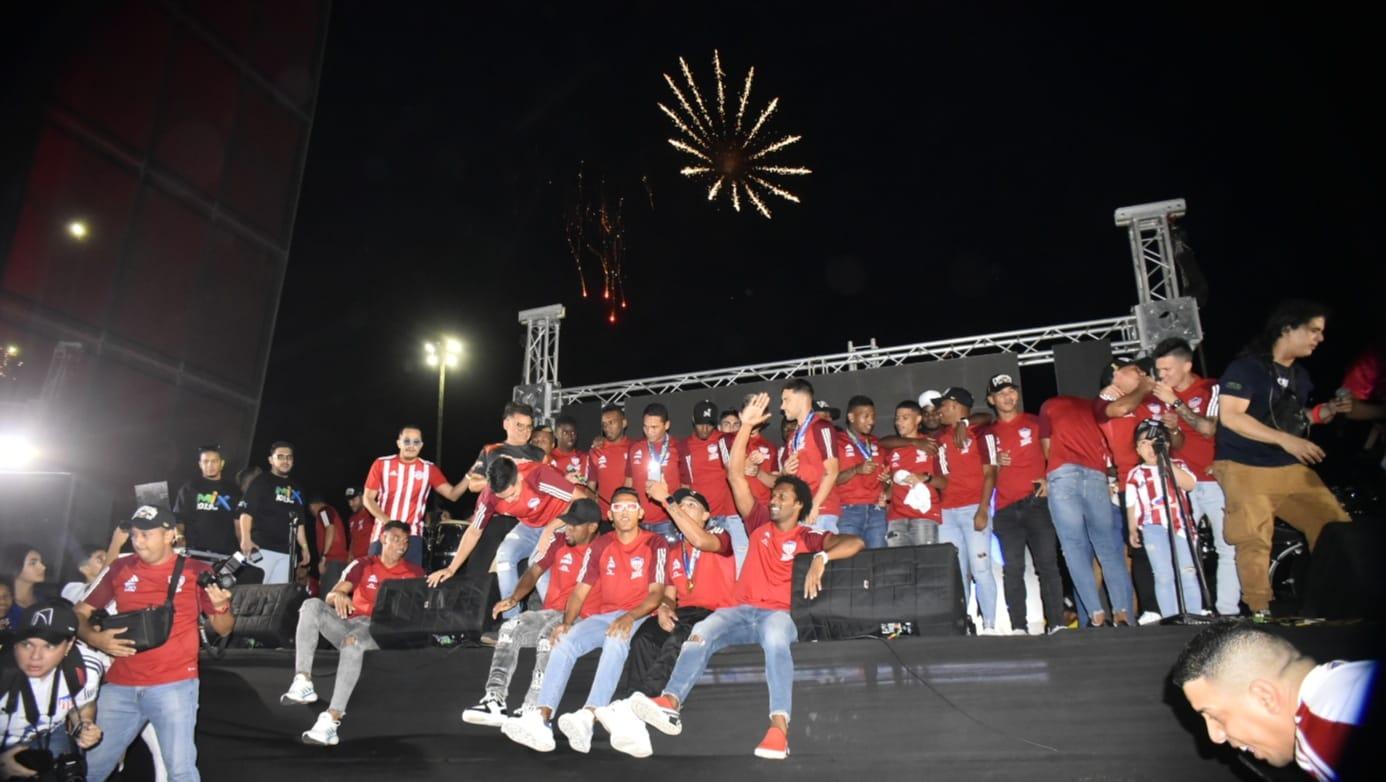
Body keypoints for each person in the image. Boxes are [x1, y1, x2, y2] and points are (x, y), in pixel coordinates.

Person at [625, 392, 864, 760]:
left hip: (777, 614)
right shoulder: (758, 523)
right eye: (774, 495)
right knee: (701, 631)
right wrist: (746, 426)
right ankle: (670, 702)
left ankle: (779, 729)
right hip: (740, 610)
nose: (774, 500)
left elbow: (855, 542)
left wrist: (822, 556)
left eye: (782, 496)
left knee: (776, 638)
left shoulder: (808, 536)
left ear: (799, 504)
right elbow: (735, 474)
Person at [500, 487, 670, 758]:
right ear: (610, 516)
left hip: (639, 614)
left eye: (630, 507)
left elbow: (656, 594)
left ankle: (588, 716)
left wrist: (629, 617)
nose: (624, 512)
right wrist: (566, 623)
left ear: (640, 512)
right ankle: (542, 720)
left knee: (616, 638)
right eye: (618, 507)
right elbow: (580, 591)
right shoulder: (601, 545)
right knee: (563, 641)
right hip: (605, 615)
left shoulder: (655, 543)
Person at [1213, 300, 1353, 619]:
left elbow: (1289, 419)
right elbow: (1231, 417)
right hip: (1244, 465)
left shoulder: (1300, 376)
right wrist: (1287, 440)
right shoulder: (1245, 368)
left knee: (1334, 526)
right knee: (1254, 538)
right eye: (1314, 330)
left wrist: (1324, 412)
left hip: (1286, 465)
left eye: (1322, 332)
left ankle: (1334, 601)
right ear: (1288, 328)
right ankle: (1260, 610)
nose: (1320, 338)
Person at [76, 505, 234, 782]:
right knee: (90, 769)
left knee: (180, 771)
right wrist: (95, 638)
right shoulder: (120, 567)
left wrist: (221, 607)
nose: (138, 541)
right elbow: (79, 613)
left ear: (170, 535)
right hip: (120, 684)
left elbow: (224, 629)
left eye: (146, 534)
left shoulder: (197, 570)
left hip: (173, 684)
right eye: (134, 534)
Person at [1172, 622, 1379, 780]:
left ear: (1265, 697)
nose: (1215, 736)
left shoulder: (1326, 731)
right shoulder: (1347, 683)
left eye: (1215, 717)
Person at [278, 521, 423, 746]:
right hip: (349, 622)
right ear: (383, 539)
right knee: (311, 605)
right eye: (396, 539)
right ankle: (303, 680)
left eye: (405, 542)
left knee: (353, 642)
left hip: (379, 629)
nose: (401, 546)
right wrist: (339, 596)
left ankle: (332, 719)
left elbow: (418, 613)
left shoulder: (414, 572)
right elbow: (331, 595)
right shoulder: (363, 564)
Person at [461, 499, 603, 727]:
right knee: (510, 627)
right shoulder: (559, 541)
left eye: (574, 525)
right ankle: (494, 700)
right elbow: (534, 570)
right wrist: (514, 598)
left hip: (583, 617)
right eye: (567, 523)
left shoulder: (603, 549)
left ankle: (534, 708)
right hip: (553, 612)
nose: (568, 529)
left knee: (548, 635)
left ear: (593, 527)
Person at [617, 483, 736, 704]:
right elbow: (670, 595)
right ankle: (630, 701)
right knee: (645, 636)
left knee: (678, 637)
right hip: (686, 612)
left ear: (706, 516)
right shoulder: (674, 551)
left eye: (692, 505)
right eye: (681, 505)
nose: (684, 508)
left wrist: (668, 501)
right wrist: (664, 607)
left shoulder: (720, 534)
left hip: (717, 613)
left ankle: (649, 699)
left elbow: (700, 541)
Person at [1152, 337, 1240, 616]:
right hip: (1181, 482)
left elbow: (1208, 428)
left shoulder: (1210, 388)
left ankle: (1227, 611)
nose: (1162, 376)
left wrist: (1176, 403)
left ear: (1187, 365)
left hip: (1214, 481)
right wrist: (1172, 428)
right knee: (1182, 548)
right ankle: (1192, 610)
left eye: (1167, 369)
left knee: (1227, 546)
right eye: (1159, 370)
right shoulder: (1162, 398)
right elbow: (1173, 442)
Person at [427, 457, 573, 619]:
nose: (509, 501)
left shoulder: (537, 475)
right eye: (503, 497)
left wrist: (552, 527)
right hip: (530, 525)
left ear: (519, 477)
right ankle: (511, 620)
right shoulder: (489, 496)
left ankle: (557, 619)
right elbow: (474, 531)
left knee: (537, 560)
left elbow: (581, 500)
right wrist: (451, 568)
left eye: (513, 494)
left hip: (560, 520)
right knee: (504, 554)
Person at [1039, 394, 1134, 628]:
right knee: (1107, 547)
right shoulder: (1095, 407)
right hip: (1095, 474)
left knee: (1074, 547)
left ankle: (1096, 615)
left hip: (1064, 474)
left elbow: (1047, 449)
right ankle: (1122, 613)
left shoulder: (1049, 404)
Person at [985, 374, 1065, 634]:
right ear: (991, 400)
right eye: (1001, 393)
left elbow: (1056, 452)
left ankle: (1057, 623)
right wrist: (995, 463)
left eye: (1011, 391)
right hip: (1005, 510)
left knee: (1047, 564)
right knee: (1013, 568)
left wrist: (1049, 478)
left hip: (1036, 503)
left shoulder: (1035, 422)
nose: (1007, 397)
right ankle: (1019, 625)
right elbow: (981, 474)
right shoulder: (988, 433)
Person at [0, 602, 106, 780]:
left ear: (69, 645)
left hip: (47, 733)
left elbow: (84, 704)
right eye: (27, 644)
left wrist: (84, 725)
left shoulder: (86, 667)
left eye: (49, 646)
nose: (35, 656)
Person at [934, 387, 1000, 633]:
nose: (939, 411)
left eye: (942, 405)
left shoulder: (982, 432)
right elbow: (943, 478)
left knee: (981, 568)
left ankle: (990, 625)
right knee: (957, 571)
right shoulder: (940, 439)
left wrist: (983, 508)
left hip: (974, 507)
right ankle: (963, 623)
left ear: (955, 405)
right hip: (947, 513)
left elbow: (991, 473)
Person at [361, 426, 468, 567]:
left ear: (421, 445)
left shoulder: (429, 469)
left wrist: (469, 476)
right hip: (383, 534)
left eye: (416, 442)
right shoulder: (381, 464)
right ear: (398, 443)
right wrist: (389, 522)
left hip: (412, 537)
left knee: (410, 580)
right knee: (375, 578)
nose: (411, 446)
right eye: (407, 441)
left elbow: (452, 494)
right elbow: (368, 498)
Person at [1125, 428, 1203, 617]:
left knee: (1187, 571)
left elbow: (1190, 484)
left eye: (1155, 443)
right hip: (1153, 527)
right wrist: (1132, 528)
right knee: (1163, 575)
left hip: (1181, 526)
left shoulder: (1178, 465)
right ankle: (1171, 616)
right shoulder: (1136, 474)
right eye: (1144, 443)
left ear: (1165, 445)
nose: (1150, 448)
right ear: (1138, 450)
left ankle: (1194, 613)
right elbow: (1131, 503)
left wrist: (1167, 462)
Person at [236, 441, 311, 584]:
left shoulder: (297, 489)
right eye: (280, 457)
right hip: (262, 549)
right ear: (271, 460)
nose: (285, 461)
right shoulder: (261, 481)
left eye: (289, 457)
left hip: (287, 554)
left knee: (277, 595)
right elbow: (246, 513)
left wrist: (305, 547)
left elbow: (299, 523)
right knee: (255, 593)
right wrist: (245, 539)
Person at [778, 379, 841, 533]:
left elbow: (832, 471)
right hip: (800, 511)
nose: (782, 406)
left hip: (820, 512)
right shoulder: (793, 435)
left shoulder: (822, 427)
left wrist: (814, 504)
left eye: (786, 400)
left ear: (802, 399)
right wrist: (785, 472)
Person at [681, 400, 741, 558]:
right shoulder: (685, 446)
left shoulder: (724, 440)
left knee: (733, 563)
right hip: (699, 519)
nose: (705, 428)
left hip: (726, 517)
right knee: (700, 564)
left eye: (709, 424)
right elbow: (685, 484)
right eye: (701, 424)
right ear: (693, 420)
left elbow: (734, 472)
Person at [884, 400, 947, 547]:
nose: (899, 422)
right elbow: (889, 482)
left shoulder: (932, 445)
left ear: (918, 419)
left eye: (905, 418)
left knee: (926, 560)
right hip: (896, 518)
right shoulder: (892, 448)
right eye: (897, 418)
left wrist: (925, 477)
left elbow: (944, 483)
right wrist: (886, 494)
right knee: (898, 561)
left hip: (924, 515)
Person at [835, 396, 889, 548]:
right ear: (851, 417)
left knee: (879, 558)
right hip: (848, 509)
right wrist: (856, 470)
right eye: (866, 416)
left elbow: (888, 479)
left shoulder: (877, 443)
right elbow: (830, 479)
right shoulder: (837, 442)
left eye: (873, 416)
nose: (871, 421)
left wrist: (887, 482)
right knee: (848, 559)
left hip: (877, 510)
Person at [625, 403, 684, 540]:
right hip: (639, 521)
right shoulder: (635, 448)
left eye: (654, 427)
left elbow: (686, 486)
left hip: (669, 521)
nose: (649, 431)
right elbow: (628, 483)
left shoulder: (679, 447)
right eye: (645, 427)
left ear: (667, 425)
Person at [171, 445, 241, 557]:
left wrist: (243, 545)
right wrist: (179, 536)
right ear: (200, 464)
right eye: (206, 461)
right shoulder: (189, 488)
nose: (210, 465)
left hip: (225, 553)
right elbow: (178, 518)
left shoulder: (234, 490)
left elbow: (239, 522)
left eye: (214, 461)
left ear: (222, 463)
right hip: (194, 551)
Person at [465, 402, 545, 494]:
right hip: (497, 502)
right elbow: (473, 485)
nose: (525, 431)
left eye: (529, 427)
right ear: (506, 424)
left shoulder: (540, 454)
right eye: (520, 426)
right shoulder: (490, 450)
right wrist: (500, 480)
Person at [589, 404, 631, 510]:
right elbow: (590, 487)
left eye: (611, 422)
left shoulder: (635, 448)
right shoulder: (596, 450)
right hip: (604, 515)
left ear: (624, 423)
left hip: (629, 512)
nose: (607, 427)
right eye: (604, 424)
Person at [309, 497, 351, 587]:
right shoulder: (331, 511)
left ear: (312, 506)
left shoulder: (323, 512)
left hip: (332, 562)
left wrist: (324, 556)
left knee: (327, 593)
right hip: (339, 561)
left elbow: (329, 528)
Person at [1, 547, 53, 615]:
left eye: (41, 562)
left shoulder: (46, 600)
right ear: (15, 566)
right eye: (33, 563)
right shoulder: (4, 605)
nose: (43, 567)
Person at [548, 415, 591, 483]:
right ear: (556, 434)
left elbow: (585, 483)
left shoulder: (584, 457)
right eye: (565, 433)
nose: (570, 436)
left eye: (573, 433)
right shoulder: (549, 458)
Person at [344, 487, 372, 561]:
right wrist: (350, 555)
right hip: (357, 560)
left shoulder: (372, 514)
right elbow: (353, 539)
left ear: (362, 497)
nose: (350, 504)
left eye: (353, 500)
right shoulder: (351, 519)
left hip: (370, 558)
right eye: (349, 501)